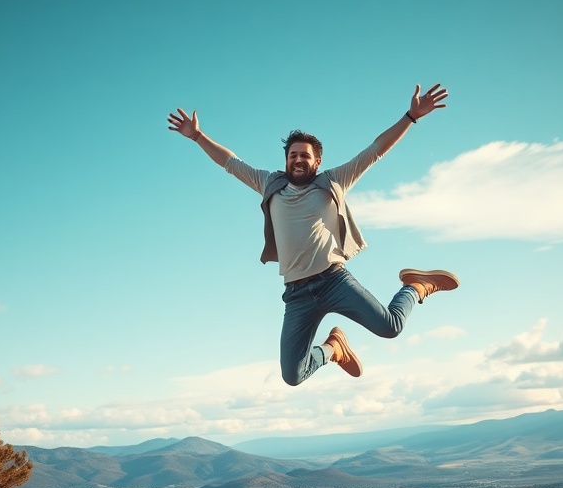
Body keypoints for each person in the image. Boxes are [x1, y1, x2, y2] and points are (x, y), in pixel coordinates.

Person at [167, 84, 459, 386]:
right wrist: (198, 137)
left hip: (334, 281)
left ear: (316, 161)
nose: (298, 160)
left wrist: (411, 115)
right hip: (297, 295)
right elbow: (230, 162)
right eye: (292, 155)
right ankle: (334, 349)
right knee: (292, 375)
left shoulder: (333, 181)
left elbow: (375, 150)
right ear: (286, 160)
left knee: (390, 327)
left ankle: (415, 287)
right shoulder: (269, 184)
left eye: (304, 155)